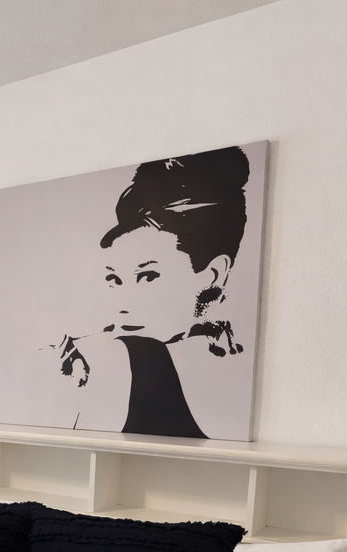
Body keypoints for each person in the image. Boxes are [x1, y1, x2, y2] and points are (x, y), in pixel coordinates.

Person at [56, 146, 251, 438]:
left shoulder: (228, 364)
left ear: (213, 275)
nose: (122, 305)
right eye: (114, 279)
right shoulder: (103, 357)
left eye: (148, 277)